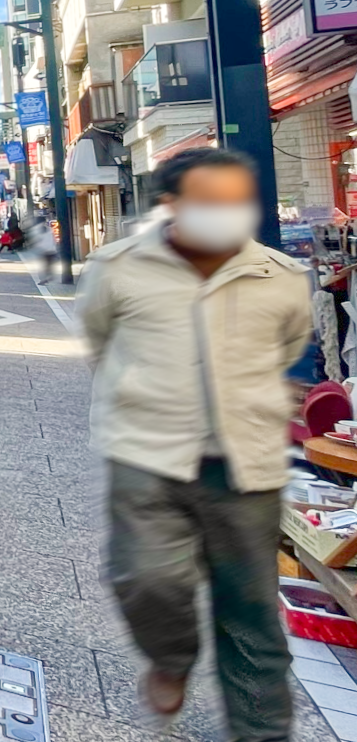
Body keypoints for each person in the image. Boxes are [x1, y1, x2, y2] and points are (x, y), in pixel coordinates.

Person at [78, 147, 311, 740]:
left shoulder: (281, 278)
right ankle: (172, 657)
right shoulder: (119, 267)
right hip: (147, 455)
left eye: (238, 201)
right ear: (173, 205)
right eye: (212, 203)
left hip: (246, 465)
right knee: (144, 578)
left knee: (250, 611)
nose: (228, 214)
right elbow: (101, 341)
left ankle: (261, 732)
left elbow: (286, 350)